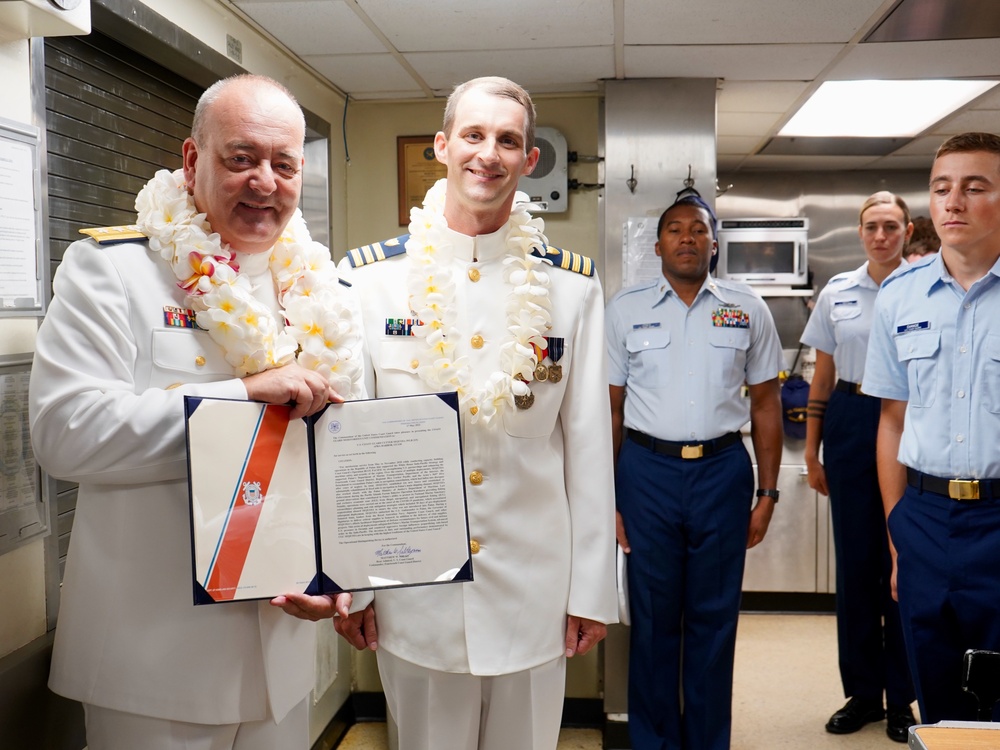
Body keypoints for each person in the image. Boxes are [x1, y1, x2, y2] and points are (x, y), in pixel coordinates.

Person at [29, 74, 364, 749]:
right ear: (192, 160)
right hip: (153, 666)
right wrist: (240, 397)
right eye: (241, 158)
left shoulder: (326, 294)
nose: (264, 182)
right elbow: (65, 435)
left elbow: (345, 456)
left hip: (282, 661)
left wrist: (348, 584)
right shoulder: (112, 271)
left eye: (284, 163)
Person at [332, 76, 617, 750]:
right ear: (442, 146)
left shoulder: (570, 289)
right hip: (415, 594)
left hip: (533, 592)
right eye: (473, 135)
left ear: (530, 160)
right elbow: (348, 446)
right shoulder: (368, 283)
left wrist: (593, 593)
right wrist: (357, 588)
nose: (488, 154)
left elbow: (588, 448)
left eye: (508, 141)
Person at [605, 194, 784, 750]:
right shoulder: (625, 308)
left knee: (714, 620)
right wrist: (606, 498)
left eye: (698, 230)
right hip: (646, 474)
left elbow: (766, 404)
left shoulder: (747, 307)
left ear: (714, 242)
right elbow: (608, 409)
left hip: (722, 472)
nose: (687, 238)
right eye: (675, 230)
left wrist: (769, 492)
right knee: (654, 623)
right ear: (657, 245)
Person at [863, 132, 1000, 723]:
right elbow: (892, 419)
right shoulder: (898, 297)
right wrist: (898, 532)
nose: (954, 203)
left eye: (976, 187)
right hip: (925, 519)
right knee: (938, 697)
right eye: (942, 188)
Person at [800, 191, 916, 742]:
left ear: (908, 231)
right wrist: (812, 447)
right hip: (849, 416)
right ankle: (865, 694)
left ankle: (903, 699)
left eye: (891, 226)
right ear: (860, 231)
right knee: (856, 568)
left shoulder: (923, 287)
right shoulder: (837, 292)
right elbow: (821, 376)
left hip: (908, 419)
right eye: (872, 226)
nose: (881, 236)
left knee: (904, 566)